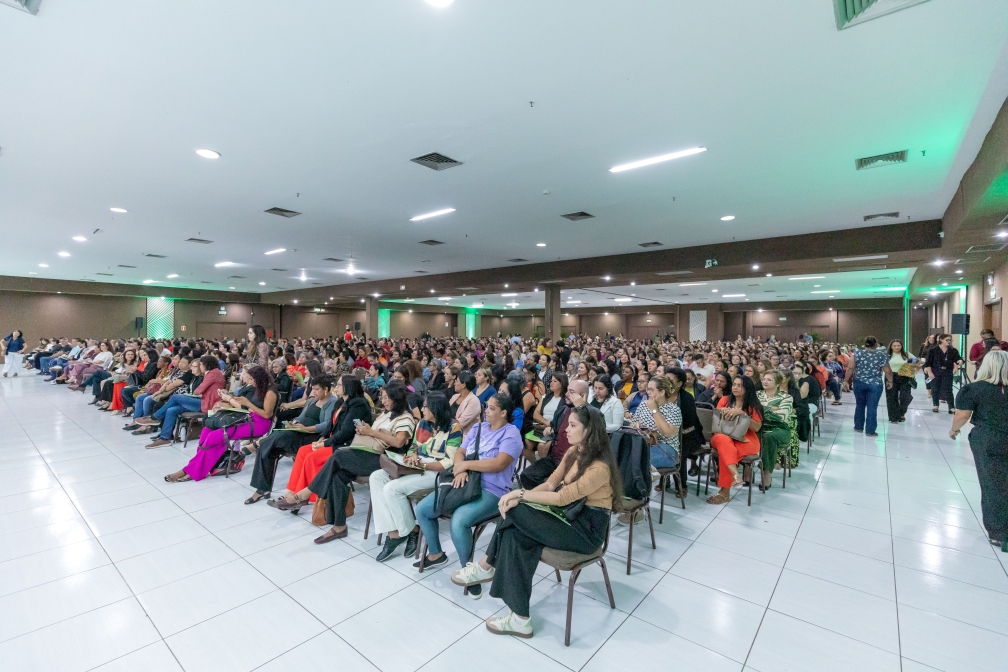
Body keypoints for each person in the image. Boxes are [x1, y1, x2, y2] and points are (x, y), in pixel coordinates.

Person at [451, 405, 620, 636]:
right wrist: (520, 496)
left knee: (515, 510)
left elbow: (561, 498)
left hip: (585, 531)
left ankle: (485, 566)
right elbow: (550, 485)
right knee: (514, 534)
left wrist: (520, 494)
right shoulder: (574, 452)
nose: (566, 430)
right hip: (565, 517)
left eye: (572, 425)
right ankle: (520, 618)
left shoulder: (599, 467)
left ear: (589, 430)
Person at [273, 382, 416, 544]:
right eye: (382, 397)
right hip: (371, 453)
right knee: (338, 475)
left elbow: (398, 442)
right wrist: (366, 430)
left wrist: (372, 432)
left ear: (396, 399)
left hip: (387, 460)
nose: (382, 401)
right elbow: (374, 435)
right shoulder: (385, 414)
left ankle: (304, 494)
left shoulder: (406, 418)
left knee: (338, 455)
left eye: (386, 398)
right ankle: (339, 526)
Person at [414, 393, 523, 598]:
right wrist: (460, 470)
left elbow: (499, 463)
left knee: (459, 520)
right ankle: (436, 553)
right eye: (486, 406)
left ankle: (470, 573)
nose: (486, 411)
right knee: (423, 509)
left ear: (503, 413)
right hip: (463, 482)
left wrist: (466, 465)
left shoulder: (511, 434)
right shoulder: (478, 428)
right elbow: (460, 452)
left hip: (492, 490)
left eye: (491, 408)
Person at [163, 365, 277, 481]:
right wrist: (238, 401)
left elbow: (267, 415)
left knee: (214, 436)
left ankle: (189, 471)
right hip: (248, 418)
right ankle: (196, 468)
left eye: (252, 379)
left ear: (260, 379)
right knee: (206, 430)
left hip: (258, 424)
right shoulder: (259, 388)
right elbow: (251, 408)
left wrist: (247, 404)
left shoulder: (270, 392)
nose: (250, 382)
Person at [244, 375, 338, 504]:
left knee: (273, 439)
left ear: (326, 389)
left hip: (311, 436)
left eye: (316, 389)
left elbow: (327, 425)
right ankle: (262, 489)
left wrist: (307, 428)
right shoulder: (312, 401)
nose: (313, 392)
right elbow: (301, 417)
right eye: (312, 389)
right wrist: (294, 423)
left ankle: (258, 443)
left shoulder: (332, 402)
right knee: (268, 447)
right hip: (297, 432)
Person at [279, 375, 373, 503]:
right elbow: (330, 425)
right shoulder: (341, 401)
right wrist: (323, 436)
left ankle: (305, 497)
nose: (336, 387)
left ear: (348, 387)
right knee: (303, 451)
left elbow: (346, 432)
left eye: (339, 385)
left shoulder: (358, 404)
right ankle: (291, 491)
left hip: (346, 445)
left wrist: (325, 443)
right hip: (334, 441)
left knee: (312, 457)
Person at [950, 350, 1008, 547]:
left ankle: (999, 532)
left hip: (988, 439)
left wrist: (953, 430)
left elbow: (962, 415)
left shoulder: (975, 389)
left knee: (992, 484)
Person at [138, 355, 225, 448]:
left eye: (200, 364)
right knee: (171, 410)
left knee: (175, 397)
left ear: (206, 365)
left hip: (209, 404)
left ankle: (155, 417)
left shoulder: (213, 374)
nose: (200, 367)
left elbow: (198, 391)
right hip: (204, 401)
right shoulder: (212, 373)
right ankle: (165, 438)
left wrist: (198, 392)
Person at [706, 376, 763, 505]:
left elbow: (757, 427)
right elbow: (715, 419)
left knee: (727, 452)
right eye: (734, 384)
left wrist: (743, 415)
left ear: (747, 388)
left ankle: (724, 492)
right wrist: (721, 411)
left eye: (739, 385)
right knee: (724, 442)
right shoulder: (725, 400)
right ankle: (735, 474)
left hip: (746, 439)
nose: (735, 388)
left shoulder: (753, 405)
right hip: (722, 434)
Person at [520, 377, 585, 489]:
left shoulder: (593, 414)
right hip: (554, 458)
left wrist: (581, 408)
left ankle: (551, 493)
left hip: (574, 461)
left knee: (565, 485)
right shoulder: (562, 410)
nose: (567, 394)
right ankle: (544, 495)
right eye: (567, 390)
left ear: (583, 395)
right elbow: (553, 428)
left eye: (572, 392)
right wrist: (549, 430)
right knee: (527, 476)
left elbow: (594, 436)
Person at [630, 375, 682, 475]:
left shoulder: (674, 410)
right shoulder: (644, 405)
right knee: (624, 457)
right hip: (644, 444)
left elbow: (667, 433)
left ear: (662, 392)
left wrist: (654, 410)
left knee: (638, 462)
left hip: (666, 450)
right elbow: (632, 423)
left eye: (651, 390)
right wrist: (636, 425)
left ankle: (642, 484)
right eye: (648, 389)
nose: (648, 392)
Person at [842, 336, 893, 436]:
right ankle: (870, 431)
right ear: (876, 344)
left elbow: (851, 368)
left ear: (864, 343)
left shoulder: (856, 353)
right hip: (875, 384)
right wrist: (890, 381)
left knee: (860, 404)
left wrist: (845, 381)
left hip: (859, 382)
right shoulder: (882, 355)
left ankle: (858, 427)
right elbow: (887, 371)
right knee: (872, 407)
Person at [756, 370, 793, 492]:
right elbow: (749, 411)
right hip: (759, 427)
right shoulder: (757, 395)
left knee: (768, 437)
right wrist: (771, 408)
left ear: (777, 383)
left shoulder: (786, 397)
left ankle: (767, 473)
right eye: (764, 379)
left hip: (779, 429)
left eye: (769, 379)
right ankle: (746, 470)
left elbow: (781, 417)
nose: (765, 381)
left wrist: (760, 409)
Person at [925, 334, 962, 414]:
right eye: (947, 340)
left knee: (948, 389)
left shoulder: (953, 350)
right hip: (936, 371)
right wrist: (930, 373)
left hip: (947, 371)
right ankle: (935, 405)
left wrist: (960, 361)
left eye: (950, 340)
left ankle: (951, 407)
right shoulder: (933, 350)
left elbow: (957, 358)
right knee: (935, 389)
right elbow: (928, 362)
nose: (949, 341)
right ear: (941, 340)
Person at [886, 339, 917, 423]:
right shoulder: (888, 355)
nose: (897, 347)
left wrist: (912, 368)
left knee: (905, 397)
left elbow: (917, 361)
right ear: (891, 347)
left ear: (901, 346)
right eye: (894, 346)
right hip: (890, 377)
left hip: (905, 376)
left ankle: (901, 413)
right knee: (891, 397)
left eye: (898, 345)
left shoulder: (906, 354)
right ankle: (893, 418)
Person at [451, 369, 482, 436]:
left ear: (463, 385)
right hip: (450, 431)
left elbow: (461, 423)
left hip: (465, 436)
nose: (454, 383)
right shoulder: (454, 397)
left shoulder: (474, 401)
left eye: (457, 381)